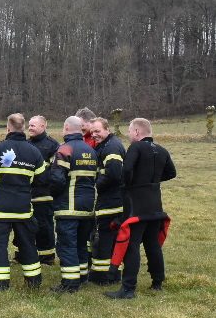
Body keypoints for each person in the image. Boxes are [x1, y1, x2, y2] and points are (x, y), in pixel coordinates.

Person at [105, 118, 176, 299]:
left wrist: (128, 184)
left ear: (137, 132)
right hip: (155, 204)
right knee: (152, 245)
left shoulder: (136, 148)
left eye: (130, 132)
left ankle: (128, 288)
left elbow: (127, 169)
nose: (129, 135)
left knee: (132, 245)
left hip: (136, 204)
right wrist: (153, 181)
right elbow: (172, 173)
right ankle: (157, 282)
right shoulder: (162, 150)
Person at [0, 113, 47, 291]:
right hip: (24, 209)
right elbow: (42, 180)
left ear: (8, 128)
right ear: (23, 128)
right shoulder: (34, 152)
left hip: (0, 208)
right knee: (27, 244)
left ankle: (0, 286)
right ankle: (34, 282)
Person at [49, 116, 97, 293]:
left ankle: (69, 283)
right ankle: (82, 276)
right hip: (87, 208)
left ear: (66, 127)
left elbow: (56, 179)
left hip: (68, 207)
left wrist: (52, 195)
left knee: (66, 245)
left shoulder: (65, 149)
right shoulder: (90, 150)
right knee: (81, 243)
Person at [89, 117, 126, 285]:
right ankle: (110, 273)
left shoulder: (111, 147)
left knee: (105, 237)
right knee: (109, 238)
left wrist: (95, 185)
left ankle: (103, 277)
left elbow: (114, 174)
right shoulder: (105, 146)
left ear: (107, 129)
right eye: (92, 132)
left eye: (98, 131)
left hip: (112, 202)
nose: (94, 134)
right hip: (111, 200)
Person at [26, 115, 59, 265]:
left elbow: (55, 171)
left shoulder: (52, 146)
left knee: (44, 225)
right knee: (26, 226)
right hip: (26, 194)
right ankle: (25, 254)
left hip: (44, 194)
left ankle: (47, 257)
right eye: (29, 125)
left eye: (33, 125)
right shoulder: (25, 144)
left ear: (43, 126)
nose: (30, 128)